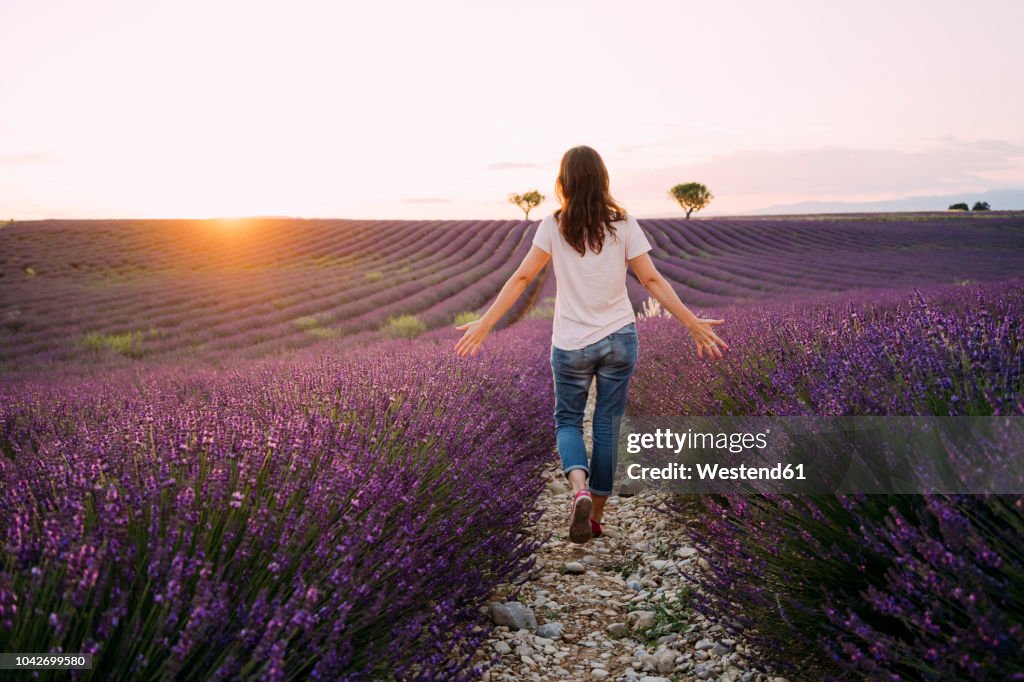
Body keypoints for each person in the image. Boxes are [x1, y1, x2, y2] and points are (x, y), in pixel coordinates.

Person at [455, 145, 728, 543]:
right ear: (603, 179)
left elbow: (521, 279)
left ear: (563, 182)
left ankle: (578, 489)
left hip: (570, 343)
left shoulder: (553, 224)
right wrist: (691, 323)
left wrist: (486, 323)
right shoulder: (623, 222)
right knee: (607, 424)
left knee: (567, 420)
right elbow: (650, 280)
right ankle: (596, 516)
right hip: (619, 337)